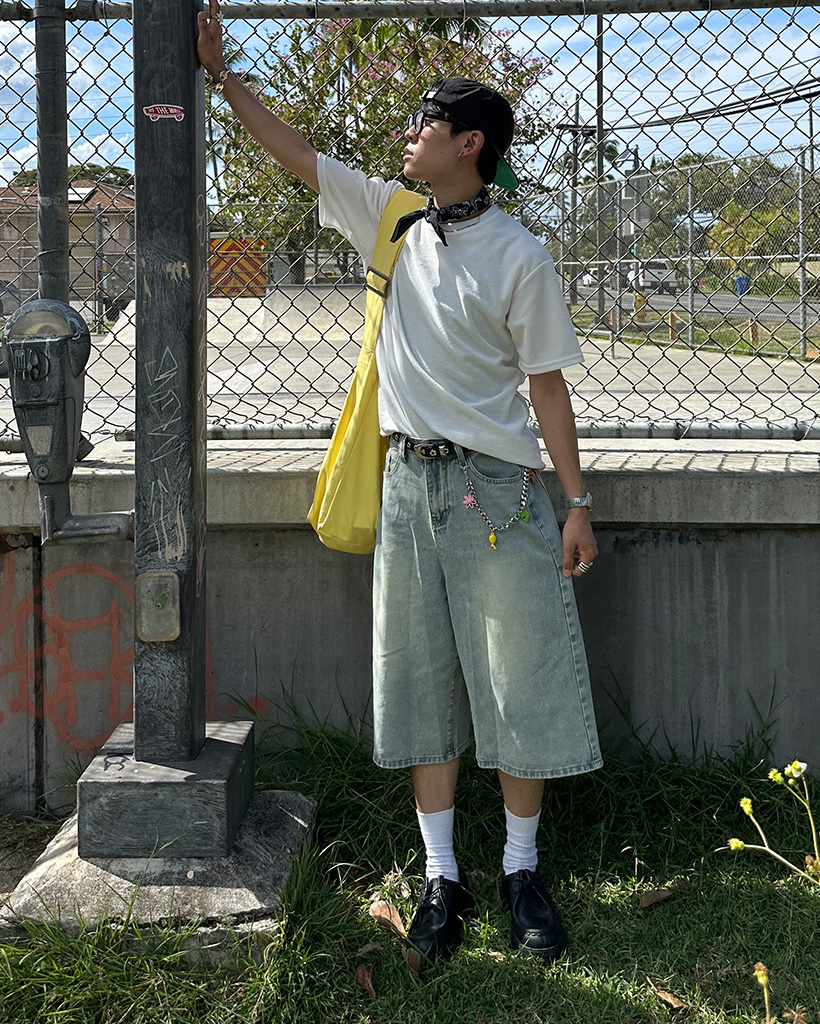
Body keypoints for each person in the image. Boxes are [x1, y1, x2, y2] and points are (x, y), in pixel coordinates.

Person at [197, 0, 602, 970]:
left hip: (500, 493)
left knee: (519, 680)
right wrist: (222, 76)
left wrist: (577, 504)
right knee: (418, 682)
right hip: (409, 489)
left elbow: (546, 386)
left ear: (470, 144)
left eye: (426, 122)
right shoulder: (390, 218)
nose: (408, 134)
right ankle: (441, 877)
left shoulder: (520, 254)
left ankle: (520, 871)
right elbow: (298, 155)